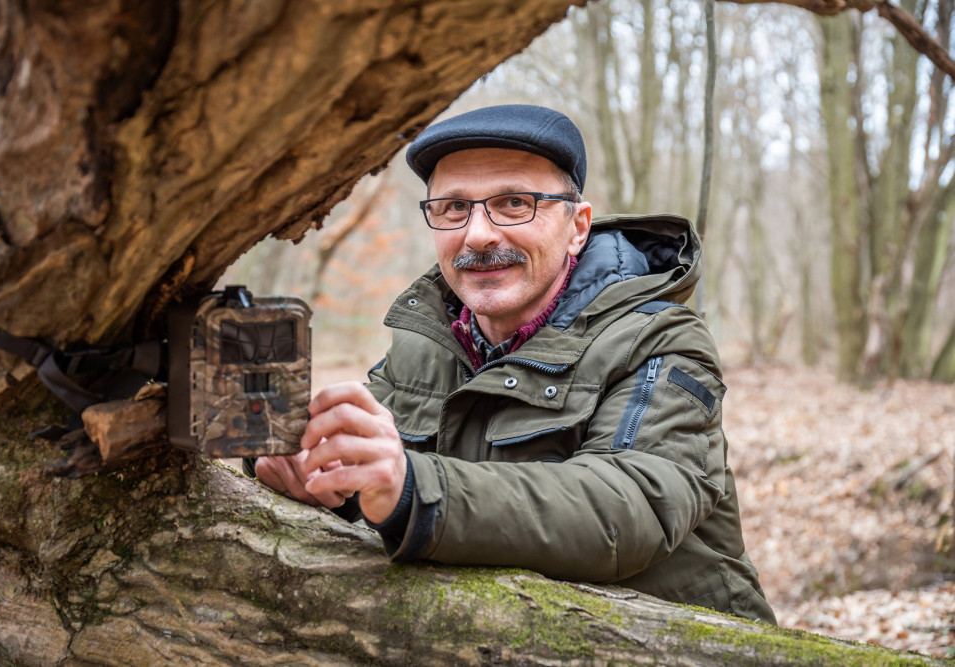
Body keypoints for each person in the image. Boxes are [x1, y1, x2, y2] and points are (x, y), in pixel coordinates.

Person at [255, 104, 776, 624]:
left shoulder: (660, 341)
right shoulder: (425, 343)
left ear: (578, 226)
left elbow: (628, 508)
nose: (478, 235)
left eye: (513, 203)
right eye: (454, 208)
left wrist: (413, 488)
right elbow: (378, 483)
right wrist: (323, 478)